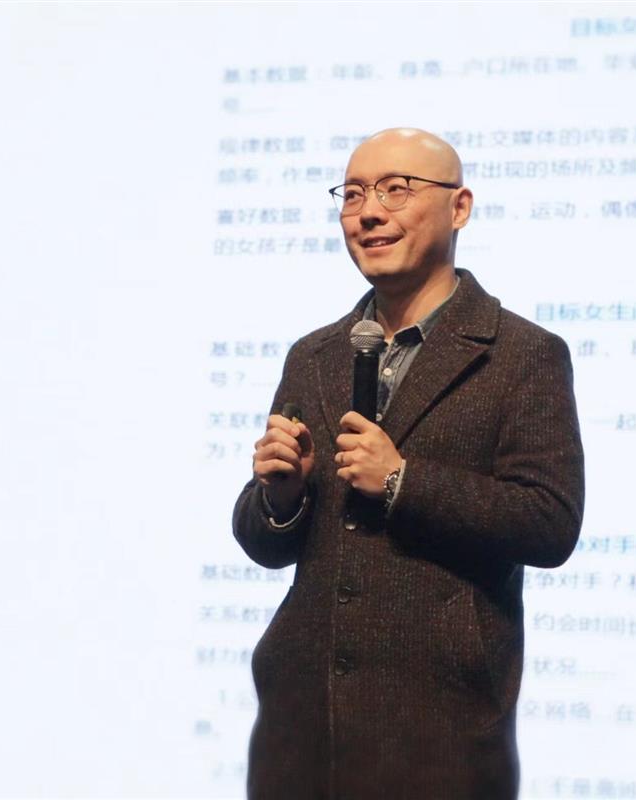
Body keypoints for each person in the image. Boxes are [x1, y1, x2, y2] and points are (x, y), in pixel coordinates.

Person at [231, 127, 585, 800]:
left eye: (396, 189)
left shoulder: (521, 354)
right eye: (353, 194)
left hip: (437, 731)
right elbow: (264, 543)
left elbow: (549, 523)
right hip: (299, 729)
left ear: (459, 208)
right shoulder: (314, 354)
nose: (369, 212)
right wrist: (280, 496)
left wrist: (402, 482)